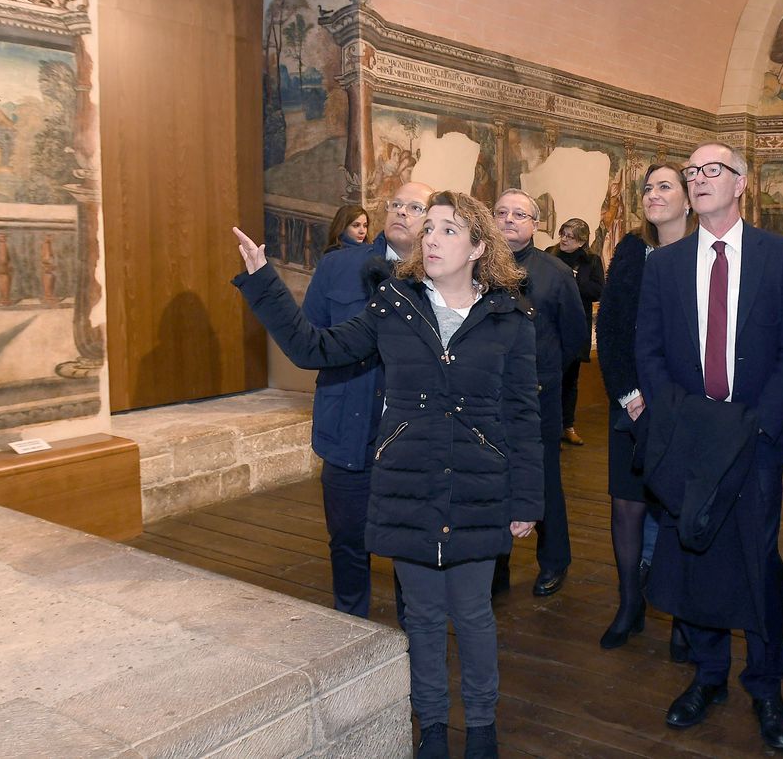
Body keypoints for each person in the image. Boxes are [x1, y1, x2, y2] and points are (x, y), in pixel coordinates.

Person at [232, 191, 544, 759]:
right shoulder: (393, 306)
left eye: (449, 230)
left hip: (478, 487)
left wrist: (526, 499)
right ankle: (430, 728)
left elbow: (523, 416)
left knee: (474, 614)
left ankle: (480, 729)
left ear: (478, 247)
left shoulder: (509, 320)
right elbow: (312, 347)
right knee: (422, 616)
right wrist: (263, 281)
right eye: (430, 229)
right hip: (407, 482)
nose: (431, 239)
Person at [636, 141, 783, 752]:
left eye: (714, 170)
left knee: (758, 561)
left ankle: (765, 684)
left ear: (742, 183)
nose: (700, 179)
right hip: (690, 440)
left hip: (755, 438)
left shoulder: (779, 254)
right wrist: (677, 423)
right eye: (692, 172)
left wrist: (760, 422)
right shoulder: (665, 262)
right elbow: (649, 351)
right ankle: (708, 675)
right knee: (695, 553)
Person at [302, 182, 432, 619]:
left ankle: (414, 636)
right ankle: (349, 626)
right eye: (396, 204)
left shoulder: (441, 278)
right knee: (346, 540)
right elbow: (314, 335)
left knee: (410, 548)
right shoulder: (339, 267)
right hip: (347, 428)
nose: (401, 212)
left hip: (412, 439)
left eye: (415, 207)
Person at [594, 164, 694, 651]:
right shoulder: (633, 250)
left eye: (665, 186)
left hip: (687, 405)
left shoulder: (705, 250)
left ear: (688, 198)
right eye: (648, 187)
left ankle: (682, 615)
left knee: (678, 510)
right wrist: (629, 396)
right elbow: (611, 328)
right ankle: (630, 603)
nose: (654, 194)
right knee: (627, 506)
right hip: (632, 402)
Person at [494, 188, 588, 597]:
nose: (509, 219)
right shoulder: (473, 265)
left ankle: (554, 561)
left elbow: (574, 338)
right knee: (492, 480)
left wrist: (544, 374)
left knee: (545, 480)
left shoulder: (554, 273)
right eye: (501, 212)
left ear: (535, 224)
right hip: (485, 397)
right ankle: (494, 569)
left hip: (538, 395)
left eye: (520, 214)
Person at [546, 218, 604, 447]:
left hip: (575, 326)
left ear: (582, 241)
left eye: (571, 236)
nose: (564, 239)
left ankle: (567, 426)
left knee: (570, 380)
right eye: (563, 233)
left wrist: (574, 280)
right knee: (550, 379)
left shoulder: (591, 260)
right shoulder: (549, 254)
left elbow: (598, 290)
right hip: (550, 326)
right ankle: (550, 428)